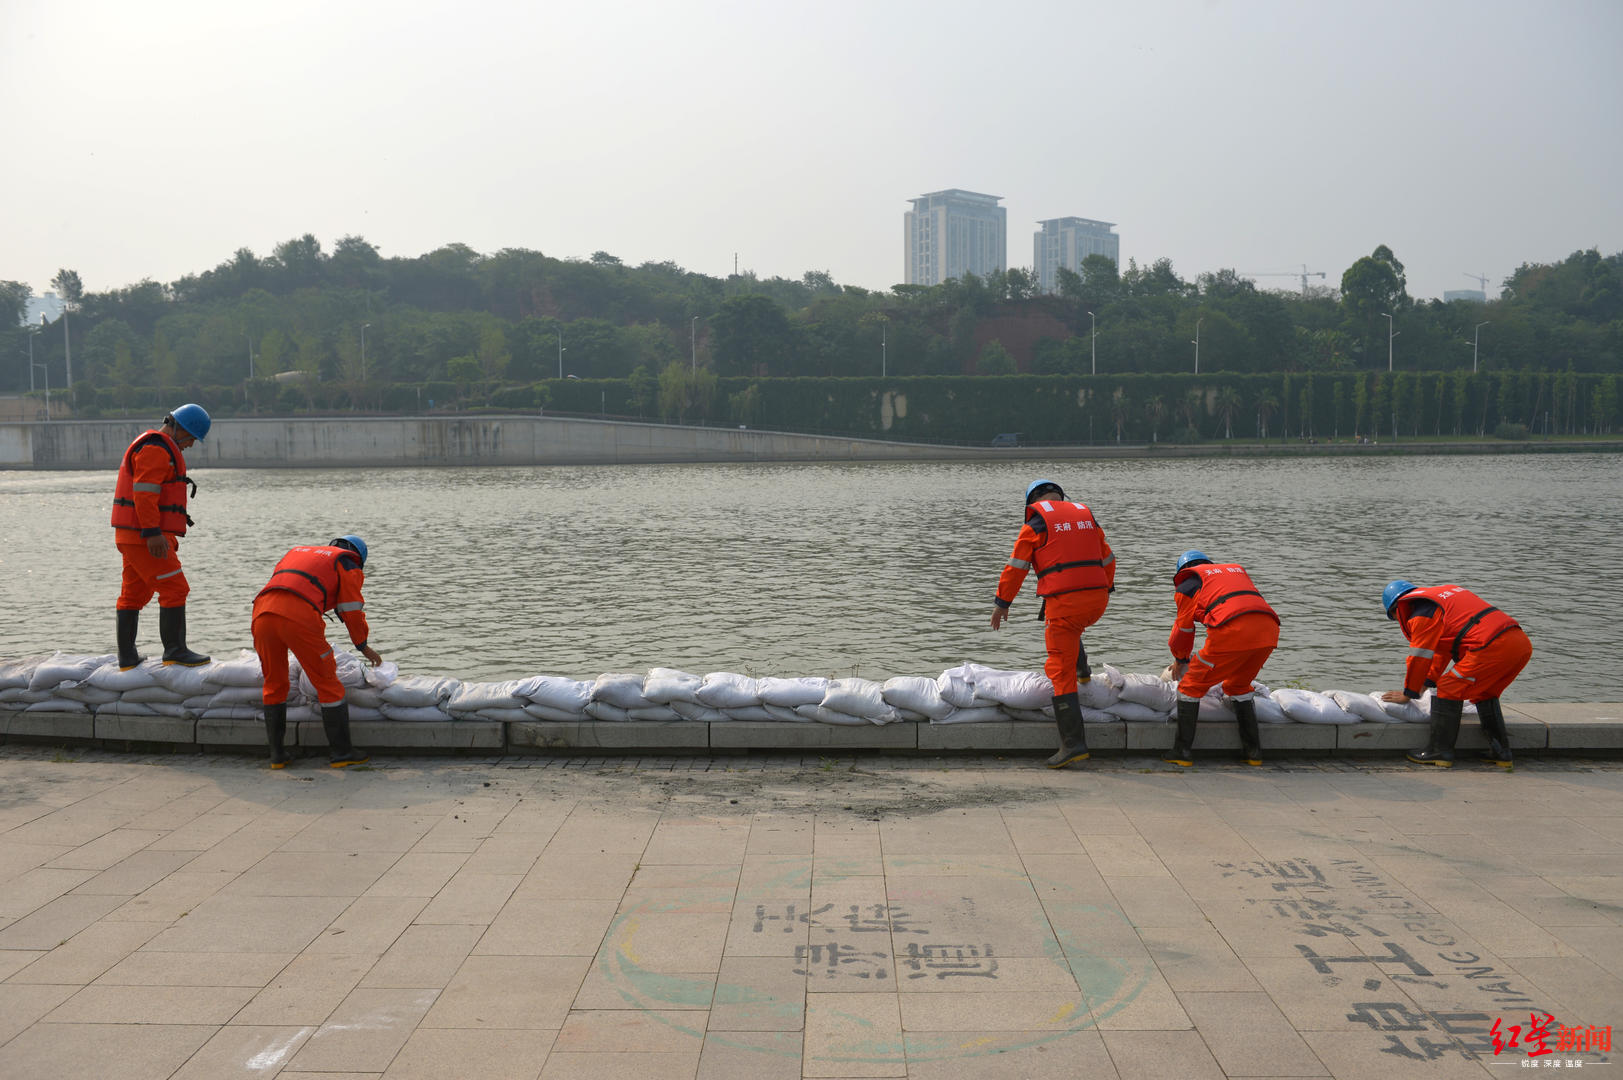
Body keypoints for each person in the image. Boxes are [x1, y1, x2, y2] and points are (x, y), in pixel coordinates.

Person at [990, 479, 1115, 768]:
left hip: (1065, 603)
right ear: (1061, 497)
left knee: (1059, 668)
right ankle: (1083, 670)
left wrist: (1001, 604)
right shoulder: (1086, 518)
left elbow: (1016, 568)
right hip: (1098, 600)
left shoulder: (1035, 525)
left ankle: (1073, 745)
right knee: (1071, 629)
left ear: (1032, 502)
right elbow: (1108, 559)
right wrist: (1102, 588)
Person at [252, 536, 382, 768]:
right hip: (299, 618)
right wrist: (363, 645)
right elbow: (351, 610)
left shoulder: (300, 551)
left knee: (274, 683)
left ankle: (277, 757)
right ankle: (342, 753)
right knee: (327, 683)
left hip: (262, 613)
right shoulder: (348, 564)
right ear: (359, 558)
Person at [1380, 580, 1531, 768]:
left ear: (1396, 609)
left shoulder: (1421, 615)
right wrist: (1426, 682)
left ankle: (1439, 752)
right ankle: (1501, 753)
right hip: (1519, 643)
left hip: (1491, 646)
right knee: (1484, 692)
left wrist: (1408, 693)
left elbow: (1419, 657)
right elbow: (1441, 651)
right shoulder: (1440, 601)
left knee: (1448, 687)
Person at [110, 404, 212, 670]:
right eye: (190, 438)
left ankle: (127, 658)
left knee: (133, 594)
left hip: (134, 537)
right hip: (145, 537)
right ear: (178, 428)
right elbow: (144, 495)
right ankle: (175, 650)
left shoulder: (158, 447)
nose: (190, 445)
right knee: (175, 588)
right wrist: (153, 533)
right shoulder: (156, 449)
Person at [1163, 550, 1280, 767]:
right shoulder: (1230, 575)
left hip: (1232, 631)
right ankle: (1253, 754)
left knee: (1190, 686)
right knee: (1238, 685)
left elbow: (1183, 631)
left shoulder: (1188, 585)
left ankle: (1182, 752)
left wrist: (1181, 659)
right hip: (1269, 631)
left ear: (1182, 571)